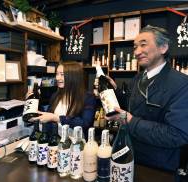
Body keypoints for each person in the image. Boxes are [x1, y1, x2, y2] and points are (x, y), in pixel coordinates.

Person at [107, 25, 188, 172]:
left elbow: (178, 134)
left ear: (163, 47)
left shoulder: (181, 84)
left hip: (158, 167)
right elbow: (132, 107)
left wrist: (131, 121)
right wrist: (114, 92)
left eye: (143, 45)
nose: (137, 52)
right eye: (135, 47)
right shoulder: (137, 79)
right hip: (129, 155)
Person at [31, 61, 96, 140]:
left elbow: (85, 123)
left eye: (62, 74)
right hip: (55, 142)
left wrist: (57, 118)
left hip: (76, 145)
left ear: (73, 77)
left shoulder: (88, 97)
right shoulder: (56, 95)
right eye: (57, 74)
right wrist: (32, 102)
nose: (57, 78)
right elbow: (47, 117)